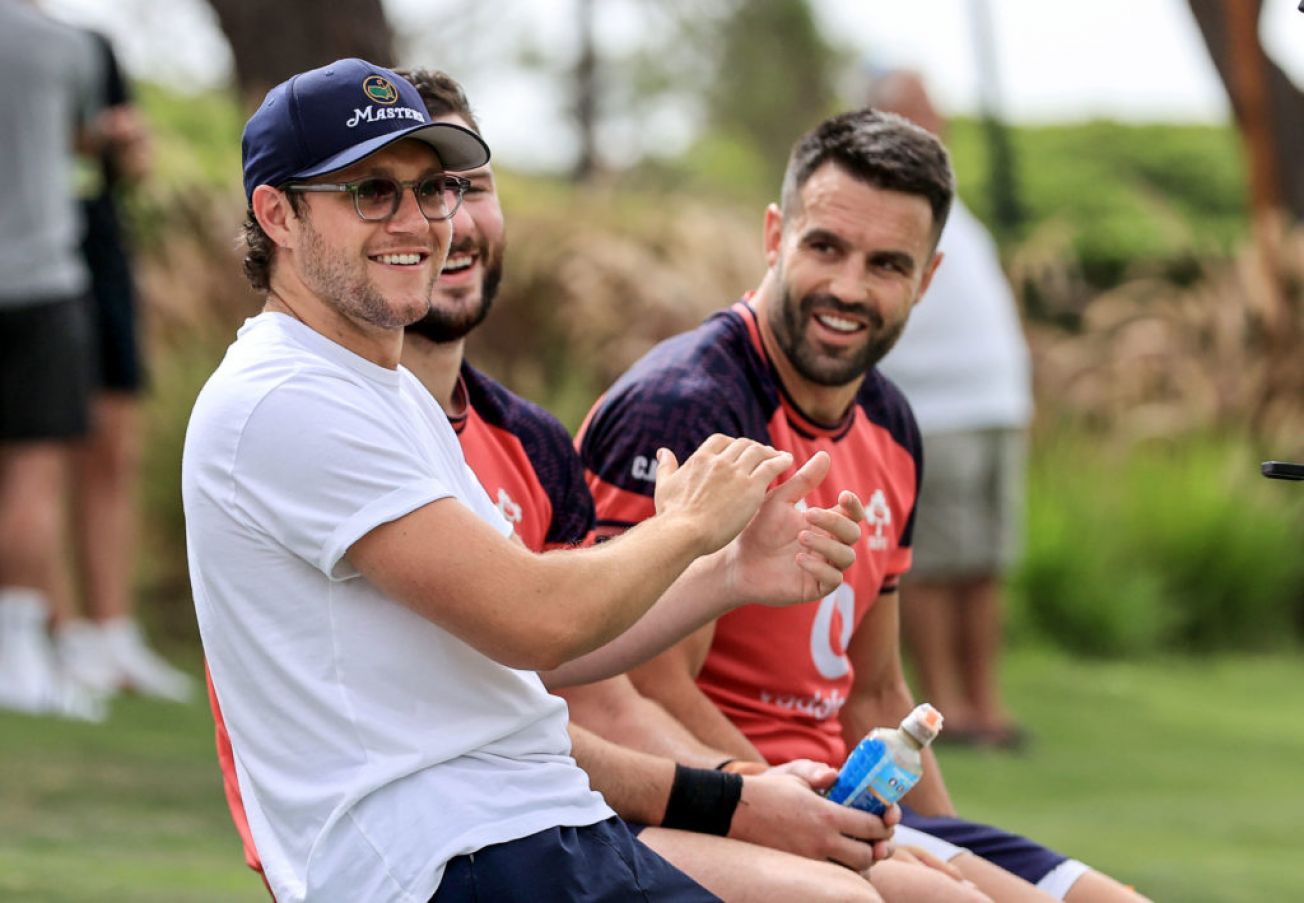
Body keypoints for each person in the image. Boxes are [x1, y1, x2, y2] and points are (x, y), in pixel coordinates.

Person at [185, 58, 870, 902]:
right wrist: (687, 525)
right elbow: (538, 623)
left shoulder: (380, 387)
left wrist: (729, 570)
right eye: (371, 192)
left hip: (528, 831)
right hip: (446, 859)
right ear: (276, 213)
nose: (418, 220)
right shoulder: (286, 398)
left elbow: (553, 642)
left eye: (433, 187)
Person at [578, 108, 1147, 902]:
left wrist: (944, 841)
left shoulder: (892, 421)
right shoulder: (686, 407)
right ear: (775, 235)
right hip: (729, 798)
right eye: (825, 247)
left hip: (851, 803)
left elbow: (874, 690)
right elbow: (639, 690)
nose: (848, 288)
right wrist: (776, 801)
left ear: (928, 277)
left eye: (886, 264)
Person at [871, 70, 1032, 748]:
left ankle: (986, 703)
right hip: (932, 409)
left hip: (995, 404)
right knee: (933, 564)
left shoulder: (950, 200)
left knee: (986, 559)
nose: (932, 116)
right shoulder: (884, 200)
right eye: (915, 106)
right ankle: (945, 707)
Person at [52, 28, 194, 703]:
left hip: (99, 258)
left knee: (112, 450)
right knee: (38, 456)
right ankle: (62, 633)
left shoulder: (89, 48)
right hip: (26, 270)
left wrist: (124, 144)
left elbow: (132, 166)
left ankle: (115, 633)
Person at [0, 0, 105, 721]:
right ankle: (17, 652)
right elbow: (86, 143)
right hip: (41, 283)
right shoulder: (68, 45)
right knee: (34, 471)